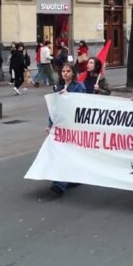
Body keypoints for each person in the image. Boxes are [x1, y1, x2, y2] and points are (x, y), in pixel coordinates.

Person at [48, 63, 86, 197]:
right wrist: (50, 124)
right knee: (61, 152)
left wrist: (68, 95)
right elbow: (54, 108)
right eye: (63, 71)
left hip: (73, 125)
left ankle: (60, 183)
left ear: (73, 73)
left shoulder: (79, 87)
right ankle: (70, 179)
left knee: (67, 152)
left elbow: (82, 105)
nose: (65, 73)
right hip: (61, 125)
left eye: (68, 71)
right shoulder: (58, 87)